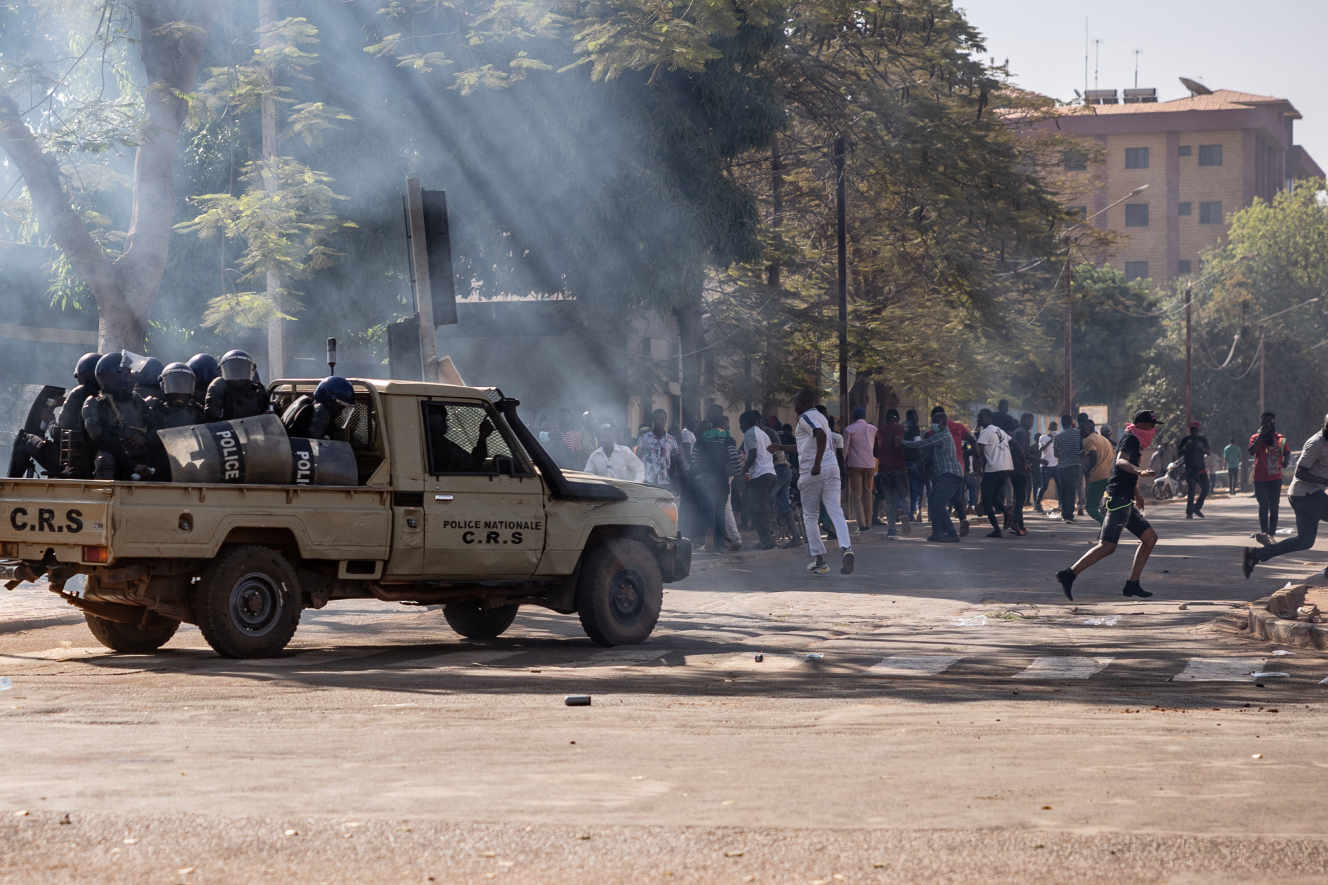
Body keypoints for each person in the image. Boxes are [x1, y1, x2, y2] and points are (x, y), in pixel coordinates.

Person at [1056, 410, 1162, 600]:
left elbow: (1125, 472)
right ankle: (1069, 574)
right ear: (1143, 425)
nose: (1154, 429)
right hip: (1117, 500)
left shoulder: (1135, 439)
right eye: (1152, 425)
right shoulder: (1131, 439)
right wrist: (1140, 472)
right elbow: (1121, 461)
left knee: (1150, 538)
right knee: (1107, 546)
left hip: (1126, 499)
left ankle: (1132, 584)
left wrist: (1137, 494)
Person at [1243, 414, 1328, 579]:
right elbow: (1300, 472)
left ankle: (1255, 555)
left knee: (1304, 541)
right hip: (1305, 494)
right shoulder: (1316, 443)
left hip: (1307, 495)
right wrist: (1325, 480)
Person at [793, 389, 854, 574]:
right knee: (835, 510)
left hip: (813, 471)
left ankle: (820, 560)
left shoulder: (805, 417)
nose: (794, 407)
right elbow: (809, 443)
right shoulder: (821, 417)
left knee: (810, 515)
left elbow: (820, 436)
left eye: (796, 403)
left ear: (803, 403)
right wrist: (780, 446)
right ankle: (846, 548)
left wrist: (817, 464)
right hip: (832, 468)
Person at [82, 351, 156, 481]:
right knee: (105, 460)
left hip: (141, 454)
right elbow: (102, 440)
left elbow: (153, 426)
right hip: (117, 459)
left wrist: (145, 439)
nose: (131, 377)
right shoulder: (95, 403)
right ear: (111, 376)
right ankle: (104, 497)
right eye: (126, 372)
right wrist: (131, 465)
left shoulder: (136, 400)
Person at [903, 406, 965, 543]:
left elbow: (922, 444)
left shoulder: (943, 436)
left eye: (936, 422)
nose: (933, 424)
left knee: (938, 503)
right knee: (933, 502)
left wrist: (902, 442)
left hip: (950, 475)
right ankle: (937, 532)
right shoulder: (941, 435)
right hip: (945, 475)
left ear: (943, 423)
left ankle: (951, 533)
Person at [694, 414, 741, 552]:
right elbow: (734, 459)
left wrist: (698, 474)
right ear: (721, 423)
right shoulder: (728, 438)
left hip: (705, 481)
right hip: (721, 480)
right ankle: (718, 546)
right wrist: (736, 473)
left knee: (707, 510)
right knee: (720, 512)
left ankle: (703, 542)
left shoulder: (701, 439)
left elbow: (695, 458)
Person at [1249, 412, 1290, 543]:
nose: (1267, 425)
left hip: (1275, 478)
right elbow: (1252, 451)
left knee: (1274, 506)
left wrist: (1285, 460)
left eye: (1269, 422)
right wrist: (1261, 436)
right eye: (1264, 422)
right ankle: (1264, 533)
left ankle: (1271, 533)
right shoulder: (1255, 437)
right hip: (1260, 478)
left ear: (1274, 423)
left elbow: (1287, 452)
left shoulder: (1280, 439)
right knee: (1263, 505)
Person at [739, 411, 776, 549]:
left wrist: (743, 471)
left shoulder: (750, 433)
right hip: (770, 473)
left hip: (759, 475)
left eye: (741, 423)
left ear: (747, 422)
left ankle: (766, 541)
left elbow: (753, 454)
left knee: (755, 509)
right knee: (763, 508)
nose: (740, 427)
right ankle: (768, 540)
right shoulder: (763, 434)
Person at [974, 408, 1013, 538]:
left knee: (986, 500)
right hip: (1005, 469)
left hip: (993, 469)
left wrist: (979, 470)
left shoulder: (985, 432)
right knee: (995, 498)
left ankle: (997, 529)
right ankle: (1007, 513)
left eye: (981, 417)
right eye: (978, 417)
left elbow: (979, 454)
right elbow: (1013, 443)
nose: (979, 420)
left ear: (989, 418)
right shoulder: (999, 430)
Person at [204, 349, 270, 421]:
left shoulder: (257, 388)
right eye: (234, 369)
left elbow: (266, 417)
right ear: (221, 371)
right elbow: (212, 416)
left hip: (257, 430)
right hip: (227, 429)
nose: (237, 373)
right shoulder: (219, 386)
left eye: (241, 369)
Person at [873, 408, 910, 537]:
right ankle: (904, 513)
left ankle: (891, 530)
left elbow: (875, 452)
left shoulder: (880, 431)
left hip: (884, 470)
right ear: (897, 418)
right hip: (899, 468)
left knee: (889, 501)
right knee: (903, 496)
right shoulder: (901, 428)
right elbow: (900, 445)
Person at [283, 376, 356, 440]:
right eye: (341, 407)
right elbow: (318, 446)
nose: (341, 412)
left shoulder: (306, 405)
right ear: (331, 402)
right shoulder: (321, 413)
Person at [842, 407, 877, 533]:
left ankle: (862, 524)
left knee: (857, 495)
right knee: (868, 493)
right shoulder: (873, 429)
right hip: (870, 465)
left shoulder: (849, 429)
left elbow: (845, 449)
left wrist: (843, 462)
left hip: (855, 465)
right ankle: (869, 522)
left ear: (853, 417)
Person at [636, 409, 684, 490]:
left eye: (662, 419)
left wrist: (675, 482)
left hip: (665, 482)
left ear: (665, 421)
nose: (659, 421)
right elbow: (637, 459)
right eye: (657, 419)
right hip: (647, 481)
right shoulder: (644, 438)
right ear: (653, 420)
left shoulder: (671, 440)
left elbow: (675, 462)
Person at [1080, 414, 1114, 523]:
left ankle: (1106, 527)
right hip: (1108, 475)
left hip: (1096, 476)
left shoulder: (1088, 440)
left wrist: (1088, 470)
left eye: (1082, 428)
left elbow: (1093, 456)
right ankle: (1106, 528)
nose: (1080, 431)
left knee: (1090, 508)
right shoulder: (1103, 439)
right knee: (1103, 505)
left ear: (1089, 429)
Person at [148, 362, 203, 429]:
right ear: (162, 385)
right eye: (176, 384)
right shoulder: (155, 410)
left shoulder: (197, 411)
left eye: (184, 384)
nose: (180, 391)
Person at [1176, 421, 1210, 518]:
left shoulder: (1202, 440)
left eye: (1195, 429)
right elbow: (1178, 452)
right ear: (1190, 430)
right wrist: (1185, 448)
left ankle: (1196, 507)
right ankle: (1189, 513)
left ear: (1198, 430)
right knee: (1191, 491)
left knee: (1206, 488)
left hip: (1201, 469)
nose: (1193, 431)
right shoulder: (1185, 440)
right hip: (1190, 469)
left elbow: (1208, 452)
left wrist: (1202, 449)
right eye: (1192, 429)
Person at [1008, 412, 1034, 535]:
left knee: (1018, 498)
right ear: (1024, 420)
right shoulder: (1022, 433)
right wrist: (1028, 463)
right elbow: (1022, 452)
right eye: (1030, 420)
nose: (1031, 423)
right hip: (1020, 469)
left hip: (1014, 468)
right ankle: (1017, 524)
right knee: (1020, 499)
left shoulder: (1018, 432)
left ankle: (1019, 524)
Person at [1053, 413, 1082, 522]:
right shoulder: (1078, 434)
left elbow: (1056, 454)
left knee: (1064, 490)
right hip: (1075, 465)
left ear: (1062, 424)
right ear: (1072, 423)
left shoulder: (1058, 437)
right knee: (1072, 490)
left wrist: (1063, 454)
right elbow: (1082, 448)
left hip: (1063, 467)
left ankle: (1065, 514)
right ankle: (1069, 514)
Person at [1036, 421, 1058, 513]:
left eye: (1055, 427)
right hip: (1046, 465)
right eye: (1052, 427)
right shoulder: (1043, 437)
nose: (1054, 429)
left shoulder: (1058, 437)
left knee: (1060, 486)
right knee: (1044, 486)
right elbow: (1040, 449)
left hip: (1057, 465)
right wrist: (1050, 440)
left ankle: (1061, 505)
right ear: (1049, 428)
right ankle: (1037, 504)